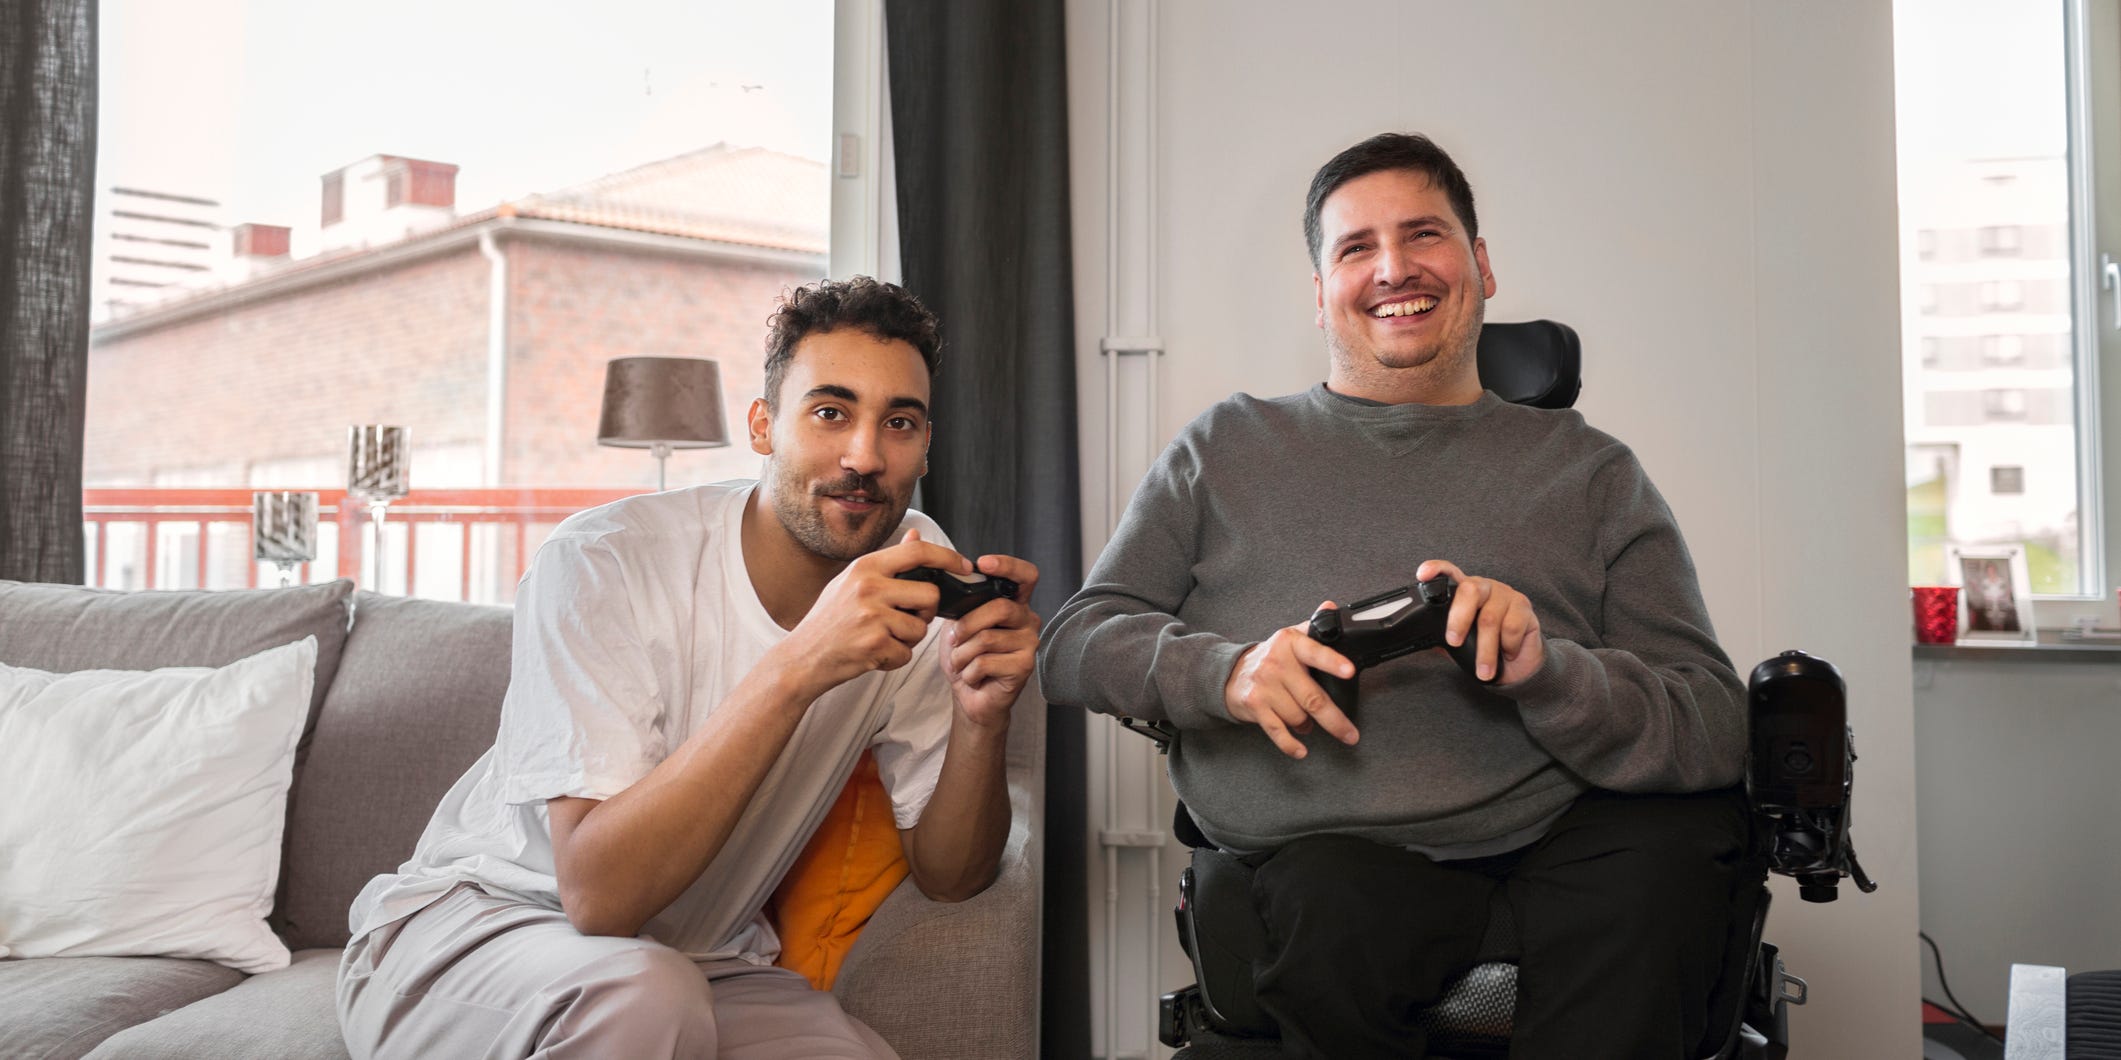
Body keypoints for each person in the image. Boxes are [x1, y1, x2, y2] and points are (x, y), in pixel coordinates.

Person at [1039, 133, 1752, 1059]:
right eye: (1354, 248)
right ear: (1319, 292)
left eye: (1424, 235)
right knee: (1335, 908)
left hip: (1568, 846)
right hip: (1333, 864)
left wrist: (1546, 674)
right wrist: (1231, 673)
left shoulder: (1590, 473)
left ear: (1480, 265)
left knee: (1678, 862)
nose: (1393, 270)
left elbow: (1711, 720)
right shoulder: (1225, 449)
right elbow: (1075, 641)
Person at [335, 276, 1040, 1060]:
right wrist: (802, 660)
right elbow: (599, 897)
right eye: (830, 412)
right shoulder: (602, 561)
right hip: (478, 930)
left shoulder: (908, 574)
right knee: (644, 997)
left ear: (926, 445)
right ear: (764, 426)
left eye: (898, 423)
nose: (864, 456)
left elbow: (952, 877)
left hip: (703, 960)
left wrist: (983, 718)